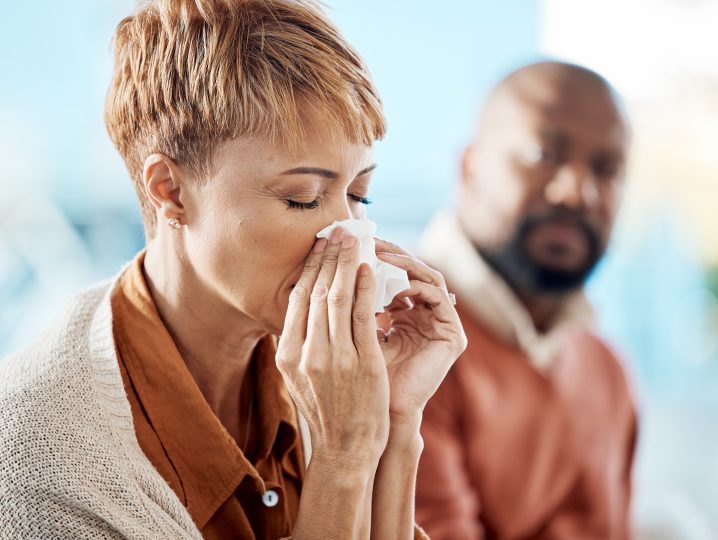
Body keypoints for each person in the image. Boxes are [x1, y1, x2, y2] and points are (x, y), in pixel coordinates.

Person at [0, 1, 466, 538]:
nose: (349, 235)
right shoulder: (40, 457)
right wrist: (342, 459)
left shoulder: (321, 378)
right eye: (303, 198)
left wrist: (393, 421)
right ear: (170, 191)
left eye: (359, 194)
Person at [414, 61, 637, 539]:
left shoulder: (608, 371)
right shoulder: (401, 340)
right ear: (469, 167)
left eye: (607, 168)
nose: (577, 191)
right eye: (544, 153)